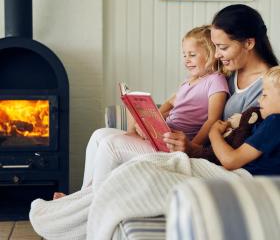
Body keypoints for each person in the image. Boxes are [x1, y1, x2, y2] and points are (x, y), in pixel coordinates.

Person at [53, 25, 229, 199]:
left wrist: (192, 149)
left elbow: (212, 120)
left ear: (211, 54)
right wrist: (150, 119)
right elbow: (170, 102)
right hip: (161, 136)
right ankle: (83, 196)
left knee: (110, 144)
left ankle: (91, 202)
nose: (186, 60)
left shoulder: (216, 81)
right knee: (99, 135)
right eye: (184, 55)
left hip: (173, 148)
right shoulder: (188, 82)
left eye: (192, 55)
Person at [163, 4, 279, 155]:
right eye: (215, 47)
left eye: (223, 47)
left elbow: (244, 145)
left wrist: (193, 148)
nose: (216, 54)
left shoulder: (271, 87)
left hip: (218, 158)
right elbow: (179, 100)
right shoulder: (226, 73)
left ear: (249, 43)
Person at [209, 65, 280, 174]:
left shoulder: (275, 121)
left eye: (264, 95)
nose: (259, 100)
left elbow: (230, 161)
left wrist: (214, 133)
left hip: (245, 176)